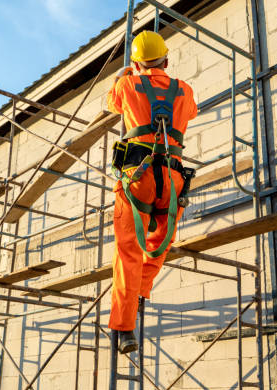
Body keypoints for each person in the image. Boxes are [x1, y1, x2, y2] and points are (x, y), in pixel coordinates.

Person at [107, 30, 197, 353]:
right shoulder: (184, 90)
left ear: (135, 63)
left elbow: (111, 101)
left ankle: (125, 327)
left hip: (138, 178)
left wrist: (126, 73)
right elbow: (192, 111)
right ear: (167, 60)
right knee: (159, 245)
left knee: (129, 252)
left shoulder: (127, 85)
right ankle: (140, 291)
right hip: (171, 181)